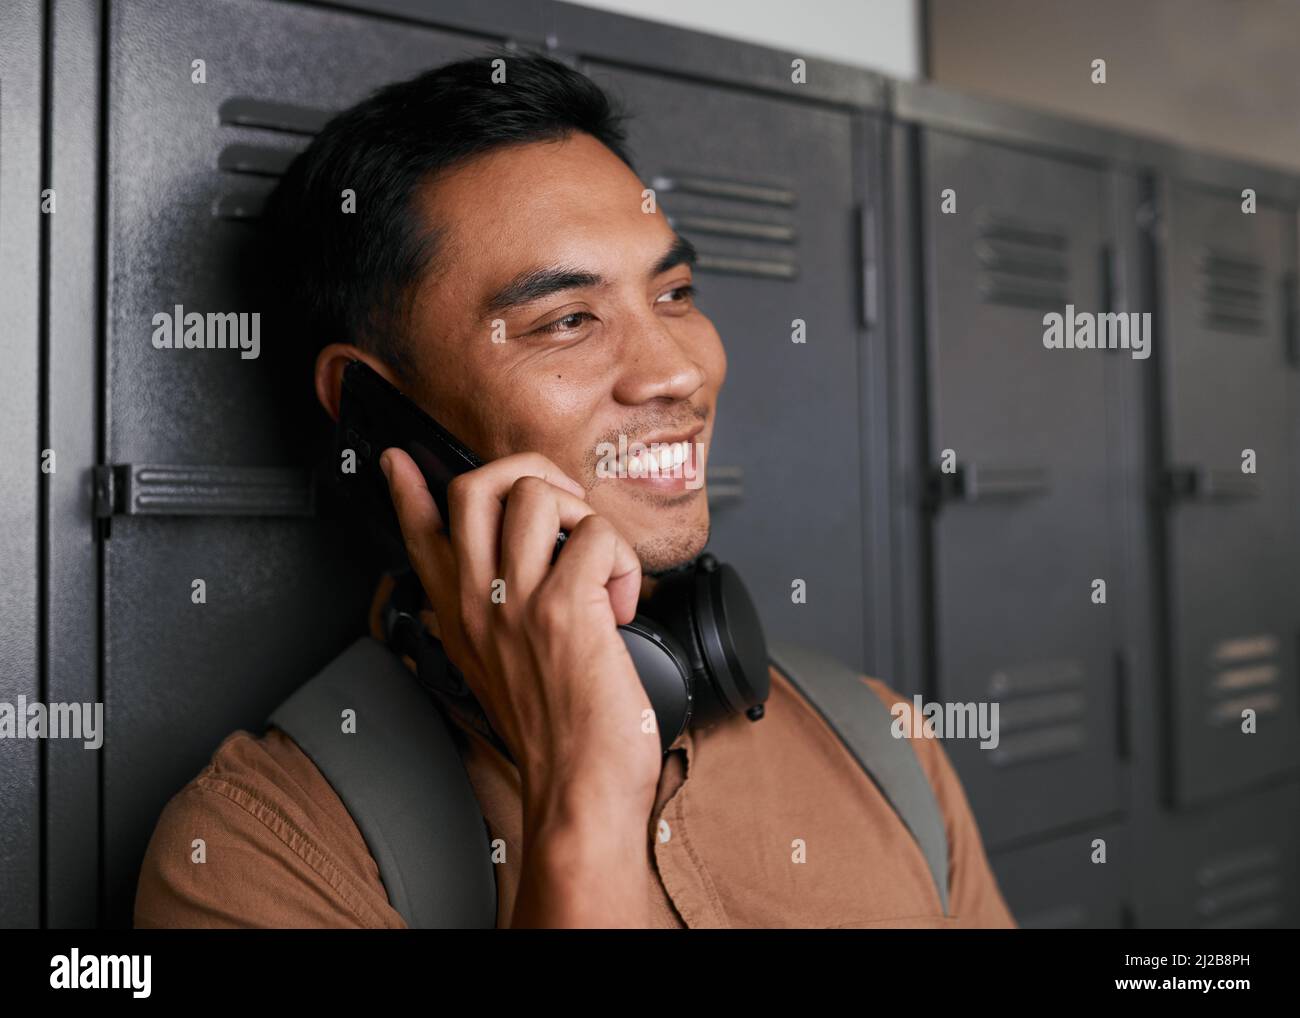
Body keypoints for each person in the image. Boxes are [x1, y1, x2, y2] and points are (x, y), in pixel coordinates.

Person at [134, 51, 1016, 929]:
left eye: (673, 293)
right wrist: (584, 789)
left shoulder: (881, 742)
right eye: (567, 321)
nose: (677, 371)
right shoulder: (261, 853)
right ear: (373, 410)